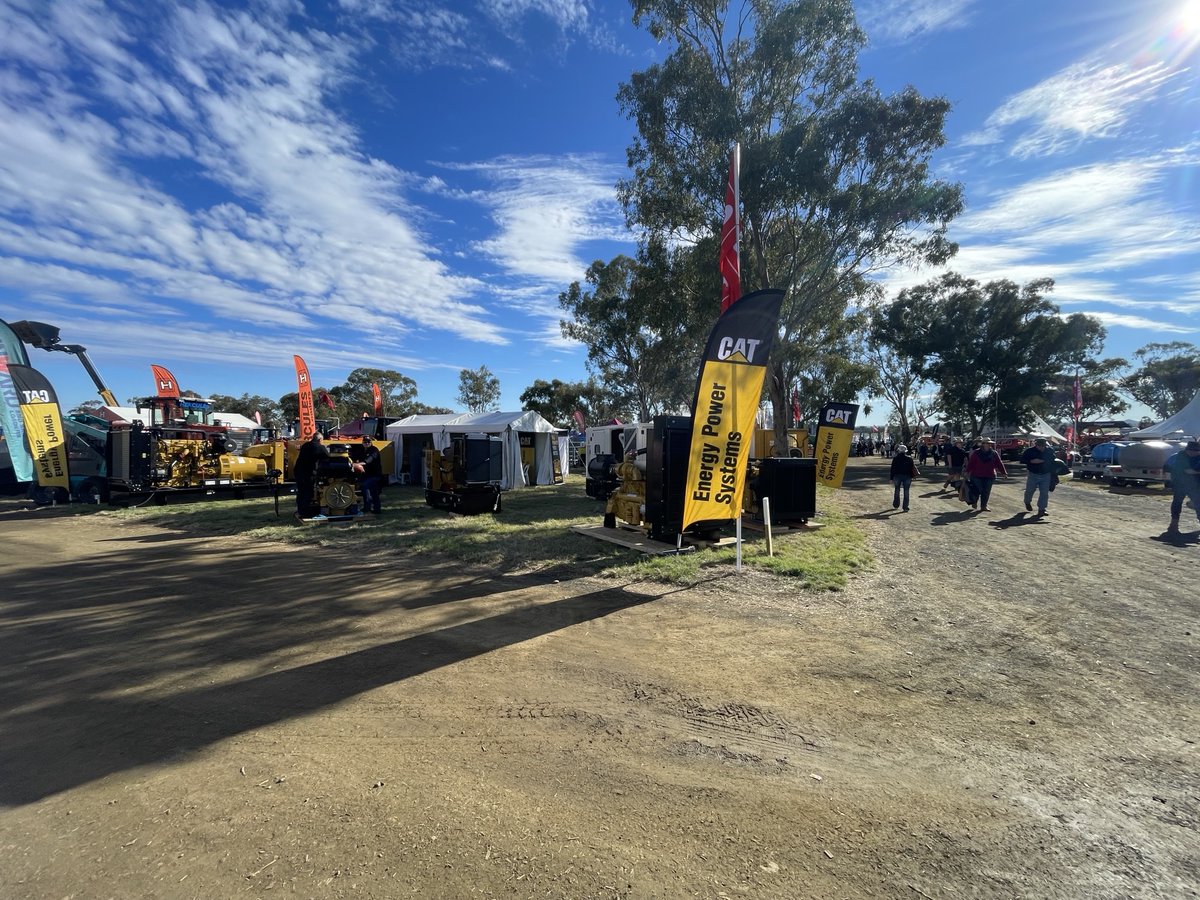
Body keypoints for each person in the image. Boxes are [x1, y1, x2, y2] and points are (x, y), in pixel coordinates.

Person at [1165, 440, 1200, 535]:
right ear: (1188, 450)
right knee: (1177, 502)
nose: (1196, 453)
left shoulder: (1197, 457)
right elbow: (1186, 471)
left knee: (1198, 503)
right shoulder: (1180, 457)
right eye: (1195, 451)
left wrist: (1195, 472)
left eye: (1197, 451)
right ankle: (1174, 524)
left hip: (1194, 485)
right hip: (1180, 484)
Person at [964, 437, 1008, 511]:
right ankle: (974, 501)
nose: (988, 445)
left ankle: (983, 506)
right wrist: (967, 471)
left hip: (989, 475)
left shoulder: (994, 453)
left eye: (989, 443)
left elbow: (999, 463)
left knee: (986, 491)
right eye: (987, 443)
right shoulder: (976, 453)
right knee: (978, 490)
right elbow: (971, 463)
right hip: (976, 475)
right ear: (983, 444)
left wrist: (1004, 472)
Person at [293, 432, 330, 519]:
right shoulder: (319, 447)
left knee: (301, 492)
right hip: (308, 473)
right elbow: (328, 457)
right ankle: (305, 513)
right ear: (320, 440)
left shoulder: (306, 445)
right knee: (308, 492)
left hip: (298, 471)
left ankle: (301, 511)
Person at [1020, 437, 1057, 516]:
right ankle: (1027, 502)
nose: (1042, 447)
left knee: (1044, 493)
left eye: (1043, 446)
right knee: (1030, 490)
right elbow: (1022, 460)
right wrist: (1031, 461)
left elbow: (1053, 458)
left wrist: (1041, 461)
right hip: (1033, 474)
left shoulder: (1049, 450)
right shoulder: (1029, 451)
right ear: (1036, 445)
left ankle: (1042, 509)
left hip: (1045, 474)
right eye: (1040, 446)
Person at [889, 444, 920, 512]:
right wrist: (913, 476)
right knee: (906, 491)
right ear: (905, 451)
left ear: (899, 451)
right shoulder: (909, 458)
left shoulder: (895, 458)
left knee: (897, 490)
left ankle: (896, 504)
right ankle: (905, 507)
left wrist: (891, 478)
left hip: (897, 476)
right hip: (907, 476)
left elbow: (893, 469)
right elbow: (912, 468)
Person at [359, 435, 384, 514]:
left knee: (365, 486)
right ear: (362, 442)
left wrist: (357, 464)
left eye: (368, 442)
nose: (366, 443)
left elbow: (368, 460)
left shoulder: (374, 450)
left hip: (375, 475)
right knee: (373, 491)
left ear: (371, 442)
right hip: (368, 475)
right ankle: (376, 509)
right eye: (365, 442)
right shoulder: (363, 450)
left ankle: (368, 507)